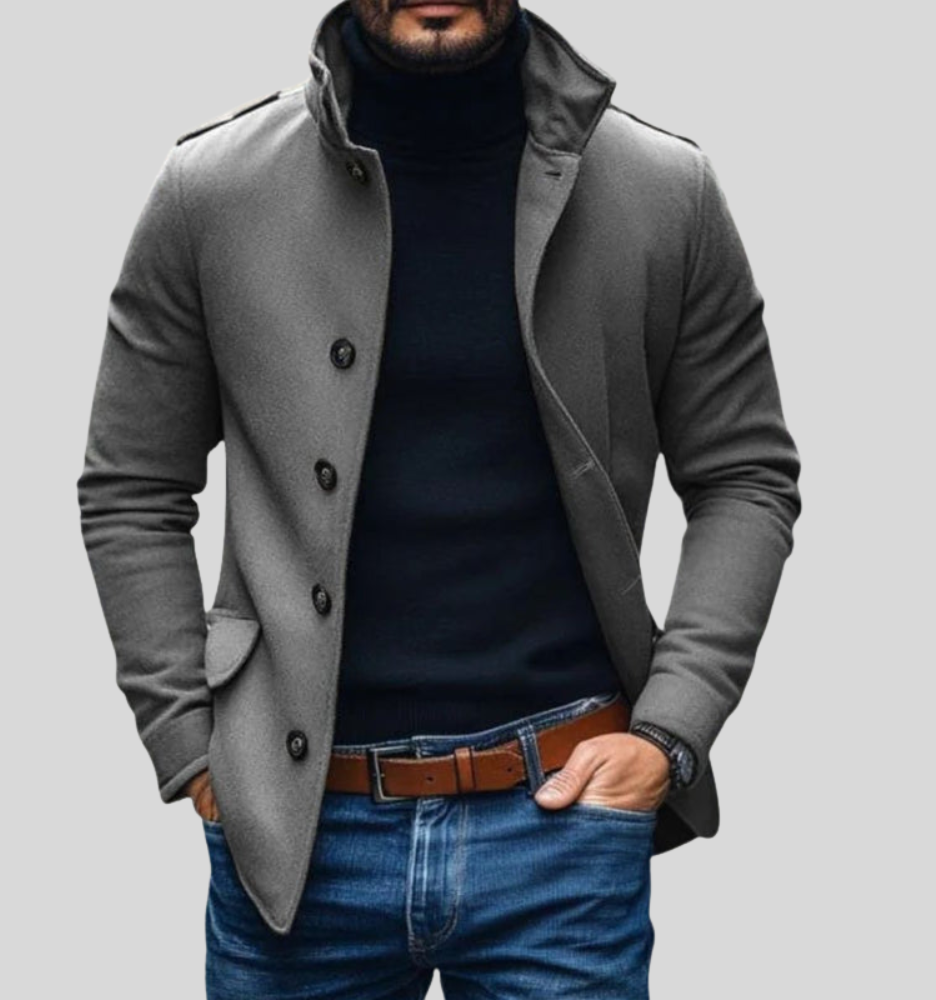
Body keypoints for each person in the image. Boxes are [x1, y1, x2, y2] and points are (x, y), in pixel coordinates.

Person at [76, 1, 802, 996]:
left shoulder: (662, 190)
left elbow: (744, 474)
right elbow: (132, 483)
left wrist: (670, 730)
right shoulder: (211, 191)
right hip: (295, 838)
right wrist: (189, 746)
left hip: (564, 824)